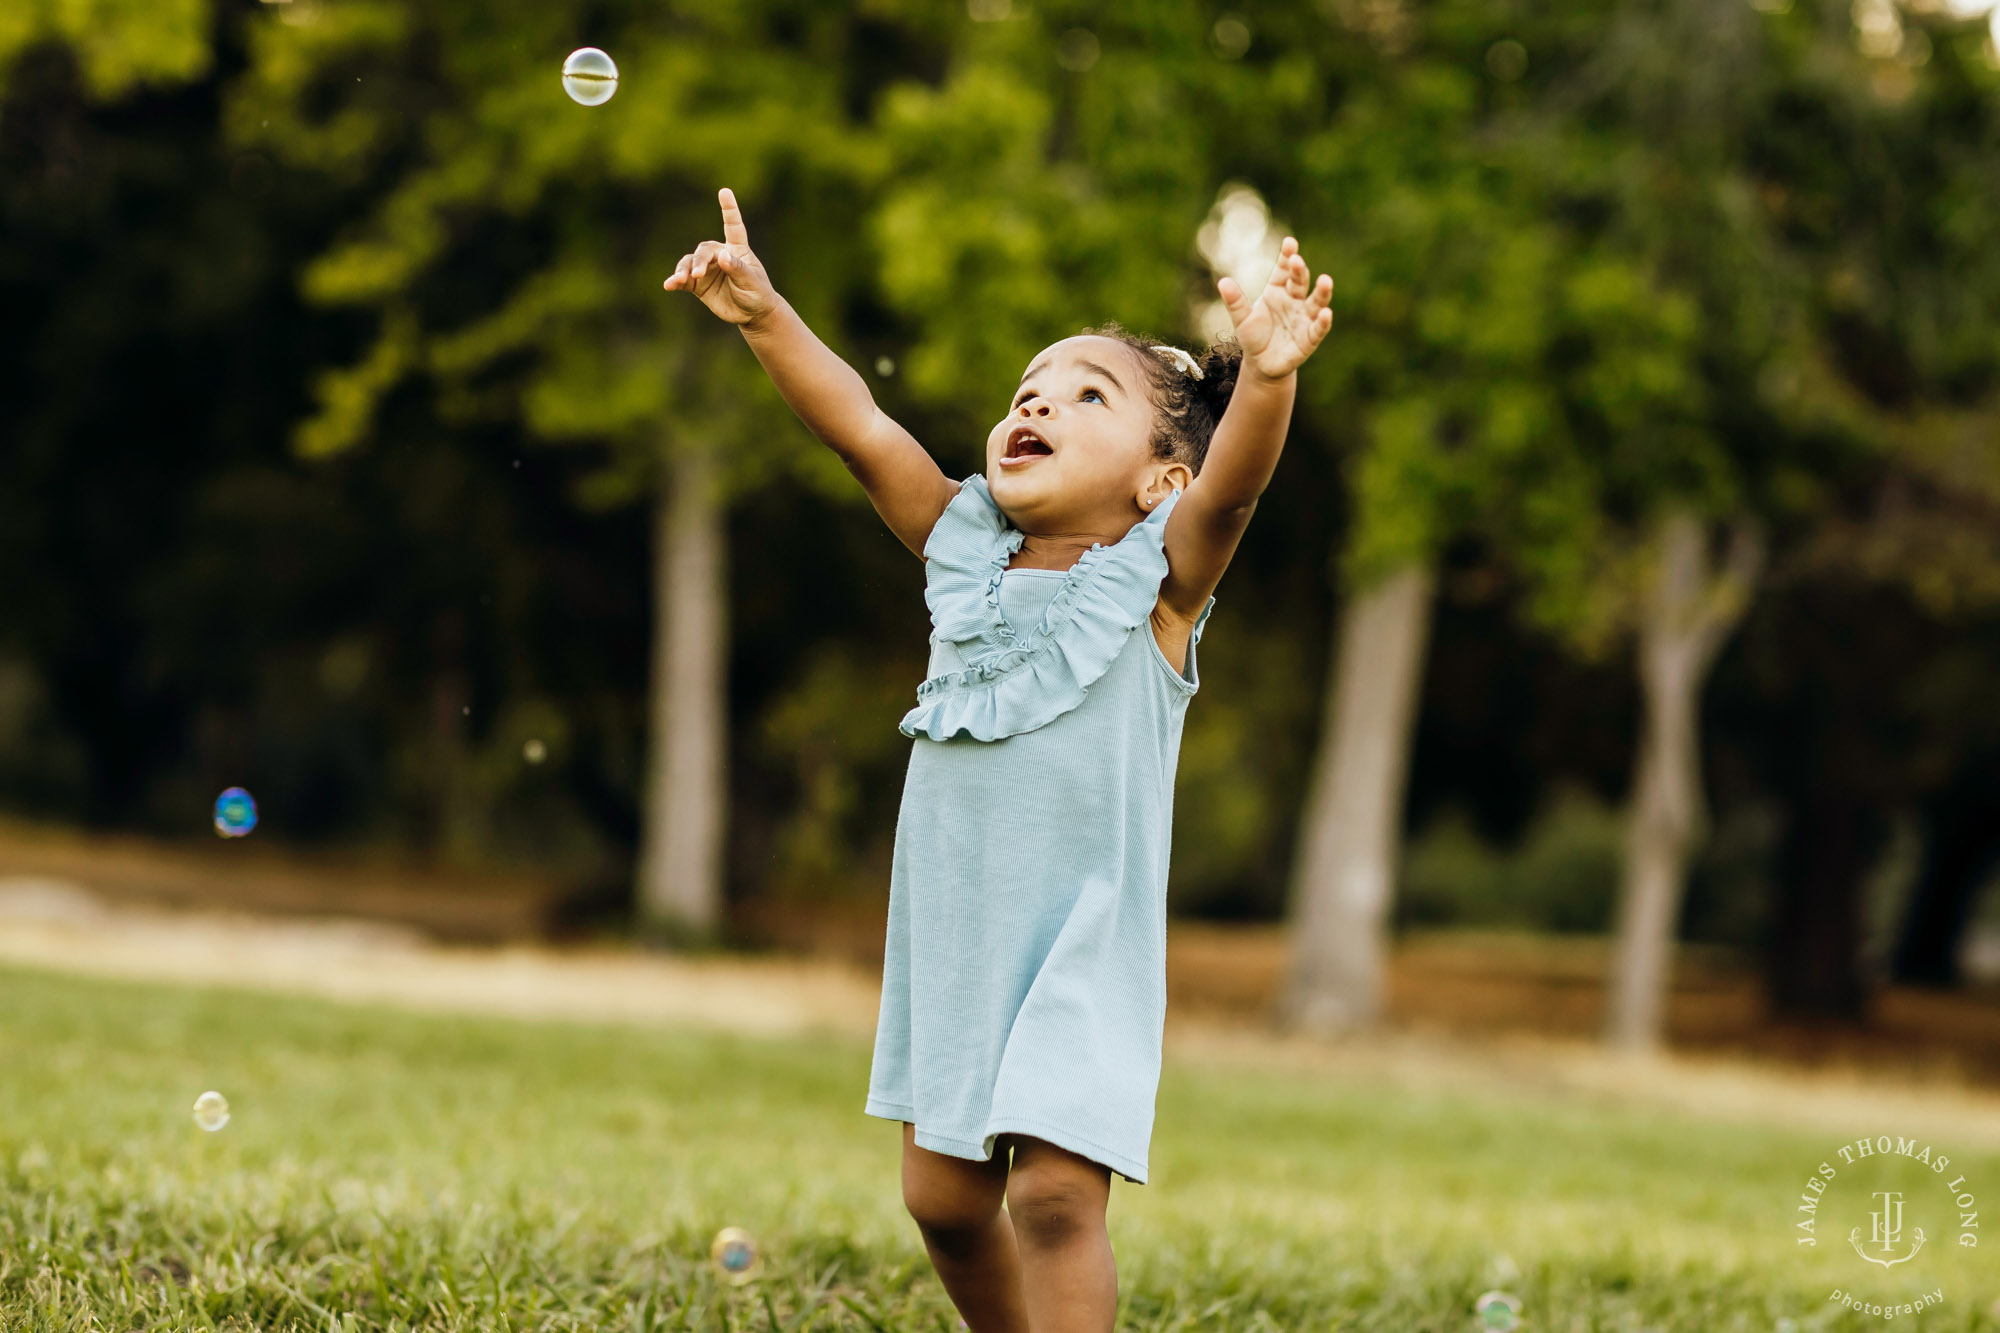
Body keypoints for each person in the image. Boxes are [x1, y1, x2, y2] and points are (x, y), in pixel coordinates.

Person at [664, 187, 1332, 1332]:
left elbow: (1236, 487)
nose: (1036, 403)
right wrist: (765, 317)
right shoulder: (963, 556)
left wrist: (1264, 378)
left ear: (1158, 480)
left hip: (1081, 938)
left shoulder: (1156, 588)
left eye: (1086, 394)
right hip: (960, 931)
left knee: (1060, 1195)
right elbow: (862, 429)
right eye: (1027, 390)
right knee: (941, 1198)